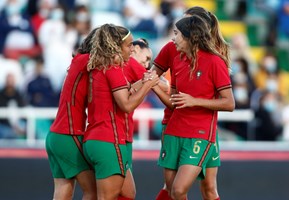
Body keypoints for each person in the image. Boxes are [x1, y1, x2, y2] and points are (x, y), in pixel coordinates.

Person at [152, 15, 234, 200]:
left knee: (181, 189)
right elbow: (175, 101)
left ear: (190, 36)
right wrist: (155, 86)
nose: (173, 38)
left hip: (199, 133)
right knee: (172, 190)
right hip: (174, 130)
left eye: (177, 34)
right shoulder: (178, 60)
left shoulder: (214, 62)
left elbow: (229, 103)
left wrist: (195, 101)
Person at [83, 24, 159, 200]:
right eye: (128, 45)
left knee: (127, 193)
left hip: (96, 137)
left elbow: (124, 92)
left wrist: (142, 83)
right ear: (116, 45)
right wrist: (148, 84)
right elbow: (126, 105)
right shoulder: (113, 68)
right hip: (108, 139)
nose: (131, 49)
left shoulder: (100, 66)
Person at [45, 28, 98, 200]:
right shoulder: (85, 60)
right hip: (69, 133)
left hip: (57, 134)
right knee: (93, 191)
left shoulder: (79, 61)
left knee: (64, 189)